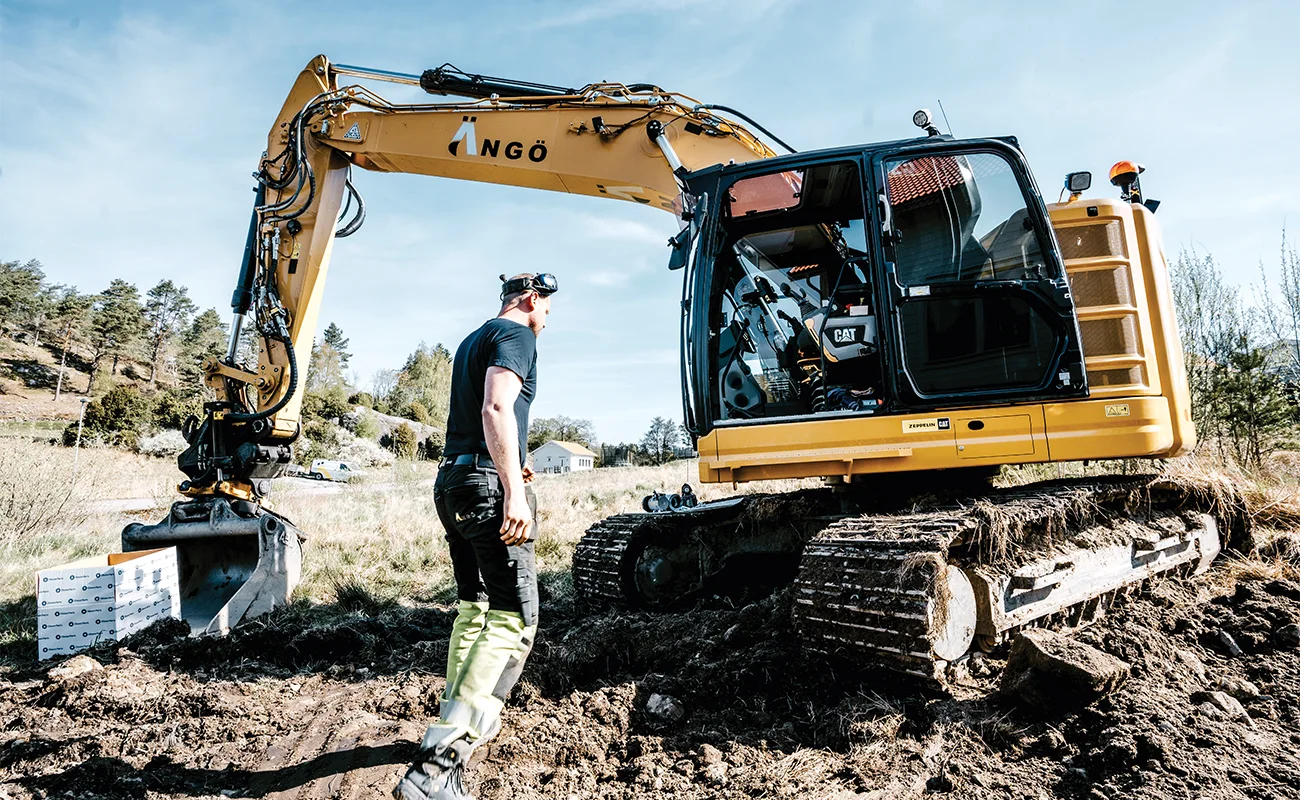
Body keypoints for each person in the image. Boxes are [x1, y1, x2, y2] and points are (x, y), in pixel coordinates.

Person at [394, 273, 557, 800]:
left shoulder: (474, 338)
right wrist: (512, 489)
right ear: (531, 300)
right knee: (516, 620)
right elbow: (495, 408)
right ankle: (437, 766)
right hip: (486, 488)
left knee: (475, 608)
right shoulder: (519, 335)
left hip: (454, 483)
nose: (547, 318)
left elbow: (475, 418)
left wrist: (516, 464)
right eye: (548, 308)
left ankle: (449, 724)